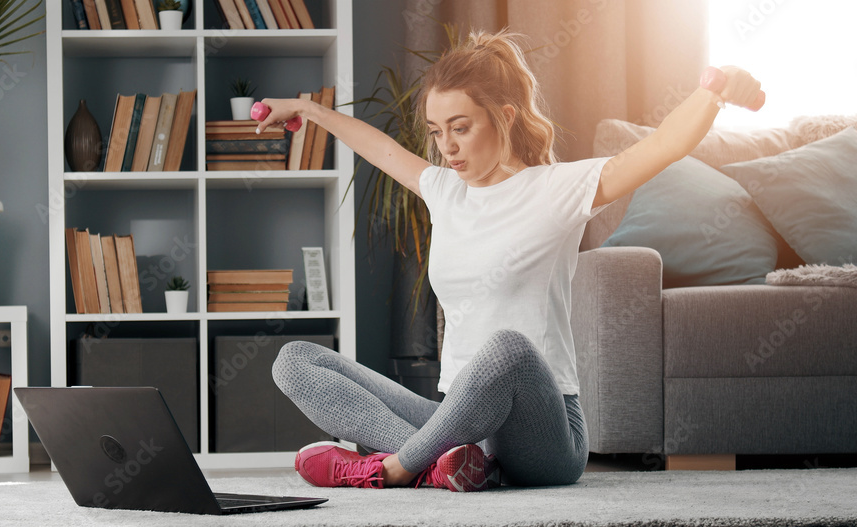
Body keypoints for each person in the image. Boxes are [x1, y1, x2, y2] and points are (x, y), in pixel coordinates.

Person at [257, 29, 761, 492]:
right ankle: (442, 463)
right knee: (295, 360)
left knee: (508, 350)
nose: (446, 148)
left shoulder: (558, 190)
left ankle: (393, 468)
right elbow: (380, 148)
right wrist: (311, 111)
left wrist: (714, 91)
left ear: (505, 117)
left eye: (460, 127)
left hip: (545, 433)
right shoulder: (445, 191)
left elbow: (661, 146)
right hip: (457, 423)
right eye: (435, 131)